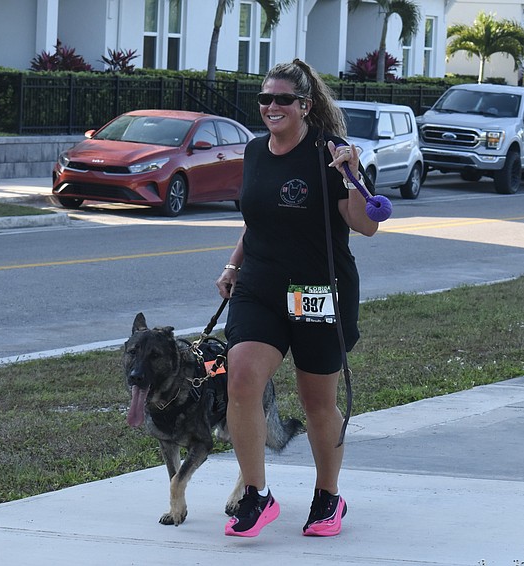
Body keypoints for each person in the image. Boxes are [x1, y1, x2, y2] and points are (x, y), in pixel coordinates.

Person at [216, 59, 380, 538]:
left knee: (316, 402)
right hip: (260, 287)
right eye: (265, 98)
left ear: (305, 106)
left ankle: (329, 497)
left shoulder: (330, 154)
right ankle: (256, 495)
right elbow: (259, 218)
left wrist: (352, 175)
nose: (271, 107)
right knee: (241, 379)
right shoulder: (254, 151)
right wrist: (232, 265)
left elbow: (367, 225)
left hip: (316, 291)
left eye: (282, 99)